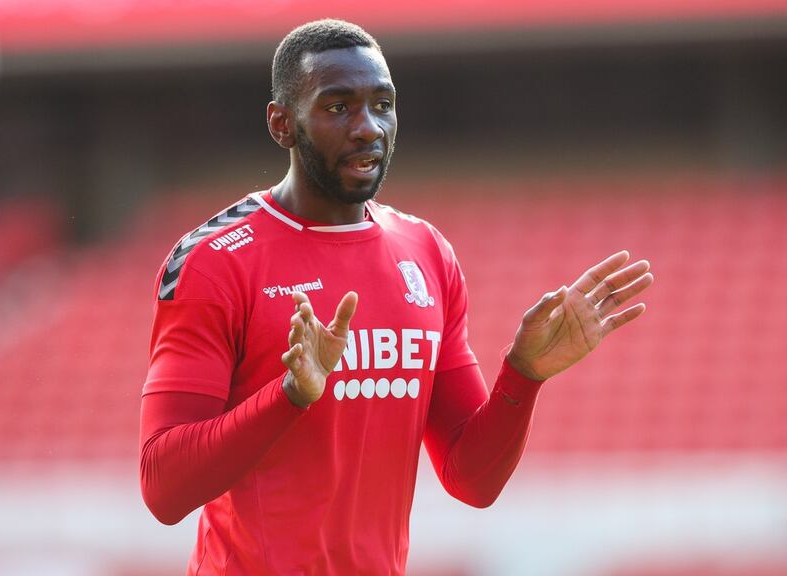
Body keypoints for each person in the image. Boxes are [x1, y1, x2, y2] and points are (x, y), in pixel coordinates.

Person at [139, 19, 653, 575]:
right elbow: (163, 488)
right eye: (338, 107)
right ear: (282, 124)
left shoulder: (426, 252)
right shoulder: (215, 261)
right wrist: (290, 395)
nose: (368, 128)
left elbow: (471, 479)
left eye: (382, 105)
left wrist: (524, 376)